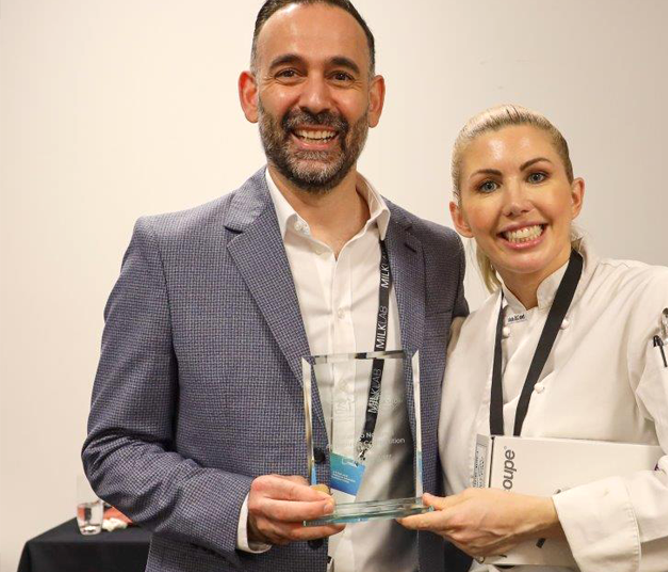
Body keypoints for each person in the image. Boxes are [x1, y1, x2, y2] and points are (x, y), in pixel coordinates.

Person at [81, 2, 467, 572]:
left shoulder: (436, 254)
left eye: (340, 75)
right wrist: (238, 508)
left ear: (375, 99)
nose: (315, 99)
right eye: (289, 72)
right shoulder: (170, 252)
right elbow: (114, 449)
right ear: (249, 93)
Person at [400, 105, 668, 572]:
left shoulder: (650, 301)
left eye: (535, 176)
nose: (514, 202)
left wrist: (543, 517)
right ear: (461, 217)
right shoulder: (459, 342)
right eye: (488, 185)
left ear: (574, 196)